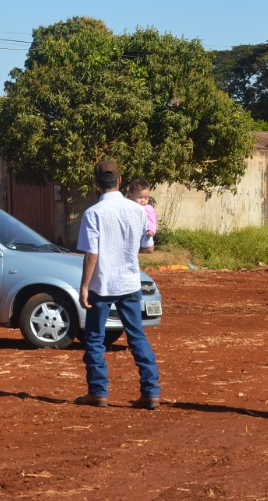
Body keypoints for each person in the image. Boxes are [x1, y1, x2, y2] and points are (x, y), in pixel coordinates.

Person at [75, 160, 161, 409]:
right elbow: (147, 247)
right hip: (130, 282)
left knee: (94, 338)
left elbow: (92, 254)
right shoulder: (138, 211)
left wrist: (83, 286)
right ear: (121, 181)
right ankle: (151, 392)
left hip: (102, 285)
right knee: (137, 337)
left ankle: (98, 392)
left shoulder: (93, 214)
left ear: (95, 183)